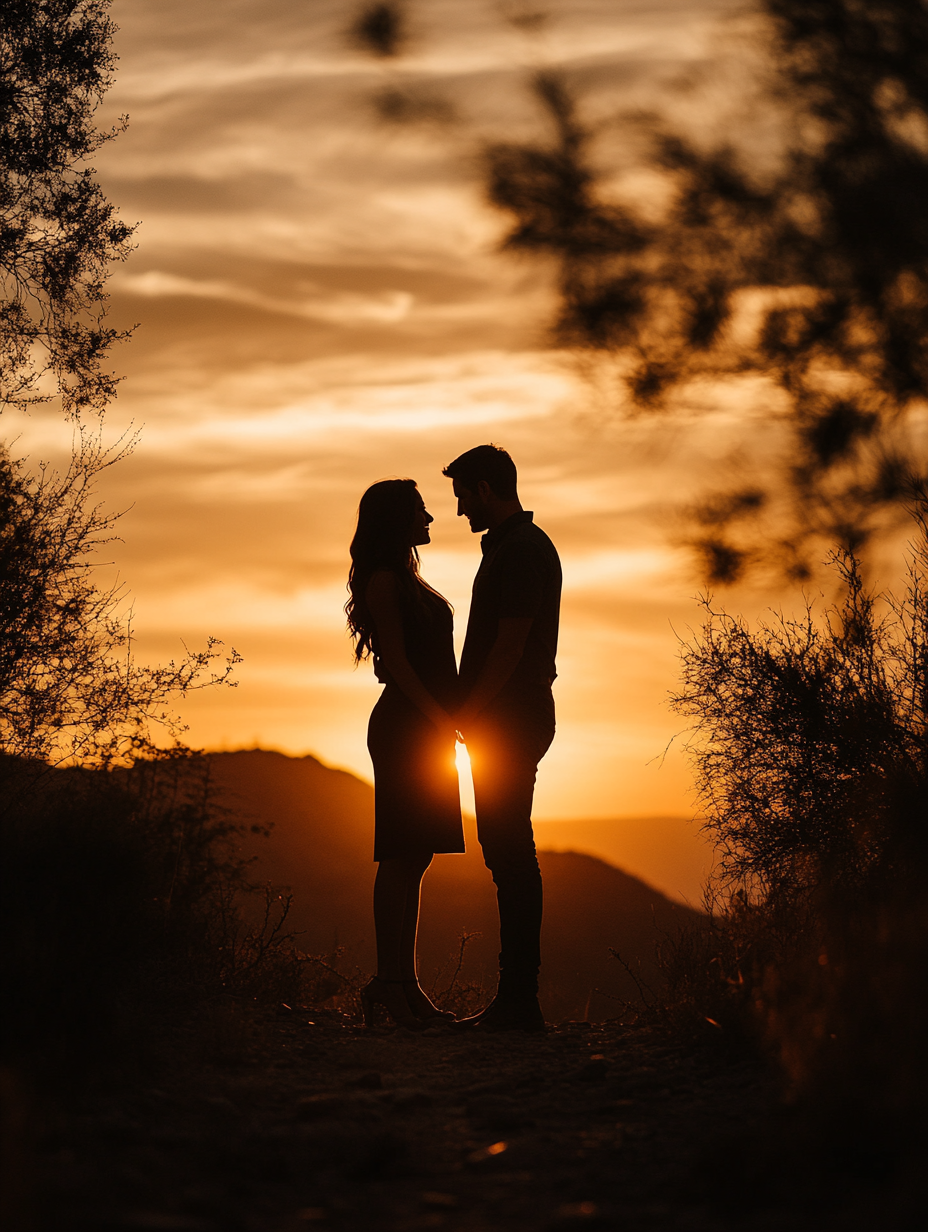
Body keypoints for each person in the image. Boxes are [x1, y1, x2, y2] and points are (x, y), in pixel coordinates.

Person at [442, 444, 561, 1032]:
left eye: (464, 495)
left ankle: (519, 1000)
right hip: (509, 717)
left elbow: (511, 646)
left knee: (510, 853)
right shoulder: (516, 548)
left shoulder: (518, 552)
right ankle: (517, 998)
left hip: (510, 718)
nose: (460, 509)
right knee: (506, 850)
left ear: (486, 489)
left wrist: (468, 709)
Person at [346, 478, 465, 1029]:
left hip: (426, 728)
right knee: (399, 855)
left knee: (414, 856)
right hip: (406, 727)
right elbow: (396, 663)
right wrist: (444, 718)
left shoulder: (406, 579)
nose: (431, 519)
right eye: (421, 510)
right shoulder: (386, 582)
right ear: (397, 519)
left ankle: (403, 985)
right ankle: (388, 985)